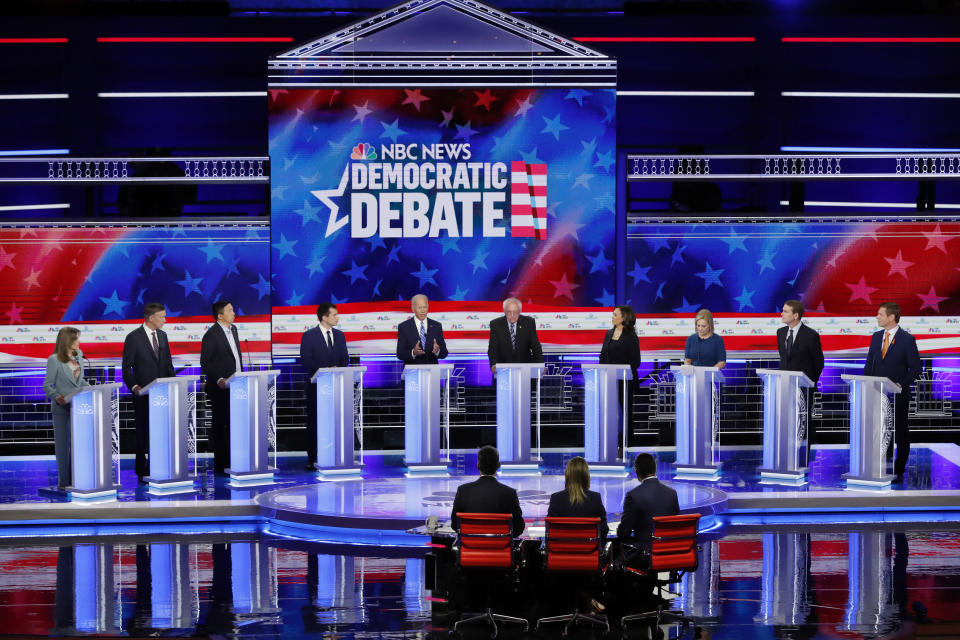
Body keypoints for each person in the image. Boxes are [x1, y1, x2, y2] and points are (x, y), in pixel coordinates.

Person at [863, 302, 921, 483]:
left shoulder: (907, 339)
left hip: (898, 395)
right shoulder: (875, 337)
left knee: (900, 431)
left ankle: (899, 468)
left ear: (891, 317)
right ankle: (883, 464)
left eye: (880, 314)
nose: (877, 317)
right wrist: (865, 383)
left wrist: (899, 385)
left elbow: (916, 368)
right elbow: (869, 363)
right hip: (877, 394)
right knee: (880, 431)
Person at [121, 302, 177, 482]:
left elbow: (168, 364)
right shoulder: (134, 337)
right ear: (151, 318)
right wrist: (134, 386)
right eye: (162, 316)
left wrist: (174, 384)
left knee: (161, 431)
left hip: (162, 394)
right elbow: (126, 368)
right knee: (143, 432)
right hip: (143, 394)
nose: (165, 320)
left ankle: (158, 465)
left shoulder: (163, 336)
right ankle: (141, 468)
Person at [300, 302, 349, 470]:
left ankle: (335, 455)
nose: (338, 317)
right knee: (314, 422)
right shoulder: (309, 335)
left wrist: (338, 369)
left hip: (336, 386)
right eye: (334, 314)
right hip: (316, 386)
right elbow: (306, 360)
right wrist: (326, 370)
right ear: (324, 317)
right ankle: (312, 458)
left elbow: (345, 358)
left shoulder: (340, 335)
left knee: (335, 421)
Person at [43, 327, 91, 489]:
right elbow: (47, 385)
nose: (79, 341)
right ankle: (64, 482)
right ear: (67, 340)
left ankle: (78, 479)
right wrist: (57, 397)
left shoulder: (79, 356)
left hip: (79, 408)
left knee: (79, 445)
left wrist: (92, 389)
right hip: (61, 408)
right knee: (63, 447)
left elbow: (80, 382)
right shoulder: (54, 359)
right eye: (76, 338)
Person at [200, 300, 244, 475]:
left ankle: (235, 460)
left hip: (238, 386)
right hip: (221, 388)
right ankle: (221, 464)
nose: (234, 313)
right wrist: (219, 378)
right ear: (220, 315)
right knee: (220, 425)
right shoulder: (211, 335)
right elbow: (205, 362)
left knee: (235, 424)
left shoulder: (234, 330)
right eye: (230, 310)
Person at [777, 300, 824, 458]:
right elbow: (784, 360)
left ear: (795, 315)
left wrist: (809, 382)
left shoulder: (811, 335)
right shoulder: (781, 333)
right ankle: (786, 454)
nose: (781, 314)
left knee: (804, 422)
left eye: (785, 311)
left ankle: (804, 457)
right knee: (786, 421)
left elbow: (819, 362)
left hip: (804, 389)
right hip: (785, 387)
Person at [450, 445, 524, 537]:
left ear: (478, 466)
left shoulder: (463, 491)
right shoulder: (510, 493)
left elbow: (455, 525)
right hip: (500, 549)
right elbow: (518, 528)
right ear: (498, 465)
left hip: (471, 549)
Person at [599, 305, 642, 448]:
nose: (612, 316)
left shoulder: (631, 336)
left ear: (623, 318)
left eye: (615, 314)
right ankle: (611, 442)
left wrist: (622, 371)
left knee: (625, 413)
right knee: (609, 412)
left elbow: (636, 361)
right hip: (609, 380)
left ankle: (626, 444)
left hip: (625, 381)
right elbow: (603, 356)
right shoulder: (609, 333)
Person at [617, 453, 679, 545]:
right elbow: (675, 525)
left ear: (636, 471)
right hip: (667, 550)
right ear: (655, 469)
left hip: (644, 554)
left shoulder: (633, 495)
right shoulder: (672, 493)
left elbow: (624, 533)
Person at [547, 456, 609, 542]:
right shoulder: (595, 498)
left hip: (562, 552)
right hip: (589, 552)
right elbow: (604, 530)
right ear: (586, 476)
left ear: (567, 475)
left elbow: (550, 531)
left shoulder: (556, 499)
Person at [487, 297, 543, 373]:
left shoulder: (529, 322)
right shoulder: (496, 324)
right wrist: (493, 364)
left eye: (515, 312)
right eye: (509, 312)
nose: (512, 315)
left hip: (525, 369)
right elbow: (493, 348)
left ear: (520, 311)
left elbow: (535, 346)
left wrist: (540, 365)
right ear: (504, 311)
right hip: (503, 369)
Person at [396, 294, 448, 365]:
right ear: (413, 308)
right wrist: (413, 352)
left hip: (432, 372)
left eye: (425, 307)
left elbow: (444, 353)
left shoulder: (437, 326)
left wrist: (437, 351)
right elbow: (400, 354)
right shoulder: (404, 327)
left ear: (428, 307)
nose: (423, 311)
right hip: (412, 372)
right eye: (420, 308)